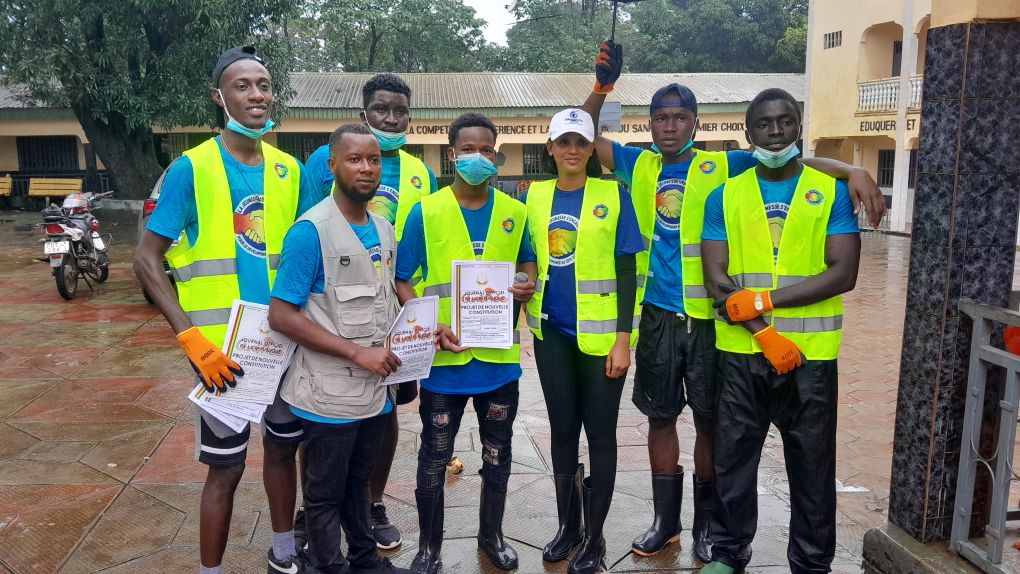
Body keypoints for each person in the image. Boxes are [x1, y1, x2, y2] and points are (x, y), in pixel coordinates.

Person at [580, 41, 886, 562]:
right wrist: (601, 89)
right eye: (661, 118)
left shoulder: (723, 166)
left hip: (710, 319)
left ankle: (708, 525)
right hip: (657, 314)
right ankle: (665, 522)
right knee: (659, 418)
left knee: (711, 423)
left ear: (695, 123)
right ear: (649, 125)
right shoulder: (636, 163)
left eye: (680, 117)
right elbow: (582, 137)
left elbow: (786, 155)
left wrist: (849, 171)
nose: (670, 126)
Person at [133, 46, 318, 574]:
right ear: (219, 97)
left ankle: (284, 553)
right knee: (226, 467)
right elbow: (146, 260)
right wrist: (190, 339)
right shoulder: (191, 168)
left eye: (264, 85)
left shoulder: (289, 169)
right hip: (221, 351)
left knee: (283, 450)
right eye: (242, 86)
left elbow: (308, 252)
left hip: (283, 342)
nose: (256, 95)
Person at [699, 88, 862, 574]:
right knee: (733, 459)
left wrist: (765, 302)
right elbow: (716, 278)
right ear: (748, 132)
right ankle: (728, 552)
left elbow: (844, 272)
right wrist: (763, 331)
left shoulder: (829, 192)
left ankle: (811, 562)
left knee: (812, 465)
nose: (775, 132)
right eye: (764, 124)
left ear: (798, 126)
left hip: (810, 356)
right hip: (741, 352)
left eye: (785, 121)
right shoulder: (724, 195)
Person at [394, 112, 537, 574]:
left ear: (497, 155)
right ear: (452, 154)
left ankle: (491, 536)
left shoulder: (516, 212)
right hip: (444, 363)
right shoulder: (426, 211)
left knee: (498, 452)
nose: (478, 157)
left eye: (486, 149)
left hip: (498, 362)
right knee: (435, 456)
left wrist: (526, 283)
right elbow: (402, 279)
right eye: (468, 149)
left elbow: (528, 263)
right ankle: (428, 547)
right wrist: (429, 324)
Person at [302, 73, 437, 550]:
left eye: (400, 111)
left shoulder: (421, 172)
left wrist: (419, 316)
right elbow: (308, 230)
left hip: (396, 314)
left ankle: (372, 503)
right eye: (382, 109)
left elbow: (424, 246)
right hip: (335, 313)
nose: (391, 118)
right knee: (325, 415)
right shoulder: (323, 160)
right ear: (364, 114)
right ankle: (316, 508)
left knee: (387, 409)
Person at [268, 124, 409, 574]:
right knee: (324, 495)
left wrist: (422, 333)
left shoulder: (384, 230)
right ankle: (328, 565)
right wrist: (356, 353)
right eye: (354, 159)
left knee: (359, 484)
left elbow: (386, 301)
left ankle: (365, 561)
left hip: (374, 393)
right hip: (328, 398)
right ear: (332, 165)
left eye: (374, 160)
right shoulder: (310, 232)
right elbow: (282, 315)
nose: (366, 168)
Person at [520, 108, 645, 574]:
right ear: (550, 148)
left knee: (600, 433)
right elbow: (524, 257)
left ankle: (594, 537)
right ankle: (568, 527)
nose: (572, 150)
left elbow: (628, 270)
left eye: (581, 142)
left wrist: (623, 340)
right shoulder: (533, 196)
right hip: (551, 332)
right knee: (562, 431)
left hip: (601, 338)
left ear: (592, 149)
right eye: (563, 141)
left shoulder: (613, 194)